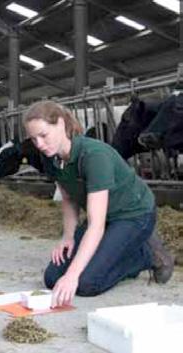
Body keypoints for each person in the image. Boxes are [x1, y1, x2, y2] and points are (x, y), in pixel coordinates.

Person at [23, 100, 174, 307]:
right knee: (52, 278)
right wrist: (67, 238)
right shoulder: (51, 158)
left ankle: (145, 254)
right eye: (33, 139)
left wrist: (72, 275)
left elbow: (96, 225)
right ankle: (118, 249)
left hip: (133, 214)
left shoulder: (94, 156)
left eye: (43, 135)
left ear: (60, 124)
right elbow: (68, 198)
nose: (39, 144)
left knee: (86, 284)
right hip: (105, 217)